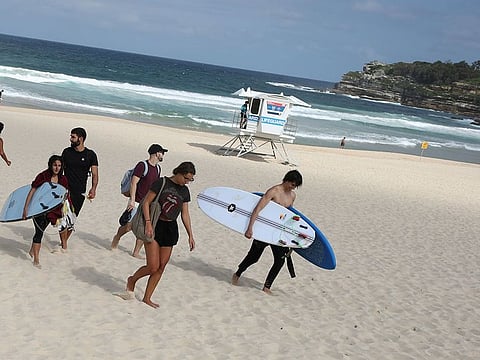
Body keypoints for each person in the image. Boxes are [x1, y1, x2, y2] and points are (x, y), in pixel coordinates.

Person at [119, 161, 196, 308]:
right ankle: (132, 280)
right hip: (155, 225)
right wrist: (148, 222)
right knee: (153, 266)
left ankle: (147, 297)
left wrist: (190, 235)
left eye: (190, 180)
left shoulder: (185, 191)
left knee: (161, 267)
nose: (187, 182)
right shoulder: (162, 183)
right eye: (186, 178)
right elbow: (146, 202)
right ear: (179, 172)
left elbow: (185, 214)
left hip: (171, 229)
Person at [231, 170, 303, 294]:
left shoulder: (292, 196)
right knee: (253, 257)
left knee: (280, 260)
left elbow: (287, 216)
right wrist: (250, 228)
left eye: (295, 186)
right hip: (264, 230)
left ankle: (267, 286)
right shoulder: (274, 191)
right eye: (292, 184)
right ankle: (237, 274)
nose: (293, 188)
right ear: (287, 180)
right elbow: (257, 209)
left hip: (277, 232)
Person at [111, 144, 168, 257]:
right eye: (162, 153)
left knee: (144, 228)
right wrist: (132, 200)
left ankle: (136, 252)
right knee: (128, 226)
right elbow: (134, 182)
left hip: (148, 203)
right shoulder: (142, 165)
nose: (163, 155)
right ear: (157, 153)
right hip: (136, 200)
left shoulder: (158, 168)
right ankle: (117, 237)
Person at [23, 155, 71, 268]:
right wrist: (26, 208)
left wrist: (64, 209)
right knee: (39, 233)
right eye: (55, 165)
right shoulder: (43, 176)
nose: (57, 168)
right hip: (38, 209)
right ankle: (36, 260)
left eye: (59, 165)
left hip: (52, 211)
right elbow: (33, 189)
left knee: (41, 230)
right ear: (50, 165)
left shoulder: (63, 179)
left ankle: (31, 251)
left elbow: (63, 195)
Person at [61, 127, 98, 216]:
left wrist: (93, 189)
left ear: (80, 139)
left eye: (73, 137)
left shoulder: (90, 155)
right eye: (71, 137)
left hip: (80, 192)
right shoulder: (67, 152)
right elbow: (59, 170)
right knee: (62, 218)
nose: (71, 139)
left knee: (72, 218)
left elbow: (95, 174)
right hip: (65, 190)